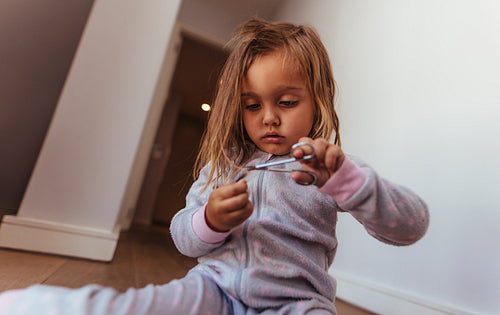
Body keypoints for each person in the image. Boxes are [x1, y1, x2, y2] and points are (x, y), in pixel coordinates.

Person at [0, 18, 429, 314]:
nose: (268, 118)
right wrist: (209, 220)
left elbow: (411, 226)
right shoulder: (224, 167)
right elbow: (185, 238)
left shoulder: (332, 168)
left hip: (297, 304)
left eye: (286, 102)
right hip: (212, 291)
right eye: (251, 105)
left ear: (317, 97)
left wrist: (350, 184)